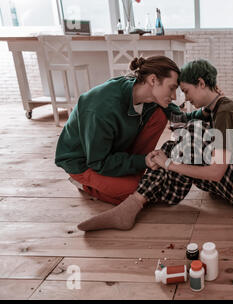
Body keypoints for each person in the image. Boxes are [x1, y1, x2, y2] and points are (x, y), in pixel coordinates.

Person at [77, 59, 233, 232]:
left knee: (192, 133)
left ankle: (141, 200)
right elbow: (183, 121)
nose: (184, 98)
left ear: (201, 83)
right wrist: (169, 159)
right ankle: (135, 204)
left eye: (185, 91)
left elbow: (217, 173)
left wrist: (169, 165)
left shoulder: (226, 112)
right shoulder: (216, 109)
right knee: (174, 146)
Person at [55, 55, 208, 205]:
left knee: (160, 114)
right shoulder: (100, 107)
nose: (174, 96)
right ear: (153, 80)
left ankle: (134, 171)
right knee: (137, 191)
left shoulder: (148, 95)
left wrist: (206, 111)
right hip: (86, 162)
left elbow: (178, 117)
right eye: (172, 88)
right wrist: (143, 161)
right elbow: (98, 162)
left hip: (114, 151)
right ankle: (84, 184)